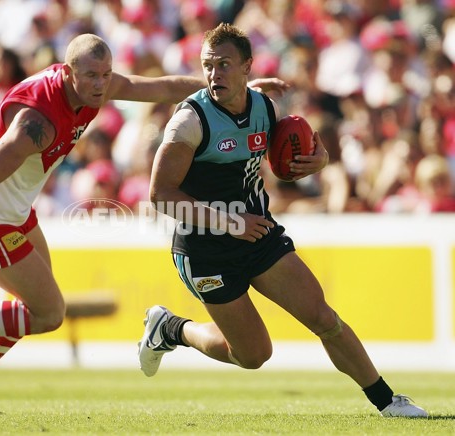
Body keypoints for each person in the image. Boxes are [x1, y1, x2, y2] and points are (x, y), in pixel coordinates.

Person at [0, 32, 287, 414]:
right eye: (92, 77)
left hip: (13, 210)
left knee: (30, 306)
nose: (101, 85)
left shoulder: (89, 84)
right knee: (48, 313)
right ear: (68, 73)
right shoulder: (37, 123)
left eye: (105, 75)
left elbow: (161, 88)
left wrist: (238, 89)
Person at [138, 23, 428, 418]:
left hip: (258, 235)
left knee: (323, 317)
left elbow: (293, 154)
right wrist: (229, 223)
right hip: (205, 250)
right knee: (254, 355)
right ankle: (171, 329)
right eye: (208, 65)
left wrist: (320, 159)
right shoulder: (189, 121)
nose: (214, 73)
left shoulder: (265, 108)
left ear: (247, 68)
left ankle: (387, 401)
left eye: (224, 64)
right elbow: (160, 196)